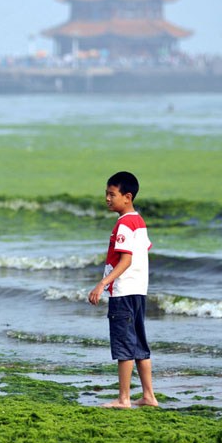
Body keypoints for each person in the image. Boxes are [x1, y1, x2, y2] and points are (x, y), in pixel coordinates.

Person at [88, 171, 158, 409]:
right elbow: (144, 249)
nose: (107, 198)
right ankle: (149, 396)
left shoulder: (124, 224)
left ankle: (123, 399)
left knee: (124, 346)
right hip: (139, 290)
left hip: (124, 291)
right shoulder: (138, 220)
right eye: (106, 193)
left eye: (112, 194)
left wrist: (103, 283)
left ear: (127, 196)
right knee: (139, 344)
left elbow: (125, 260)